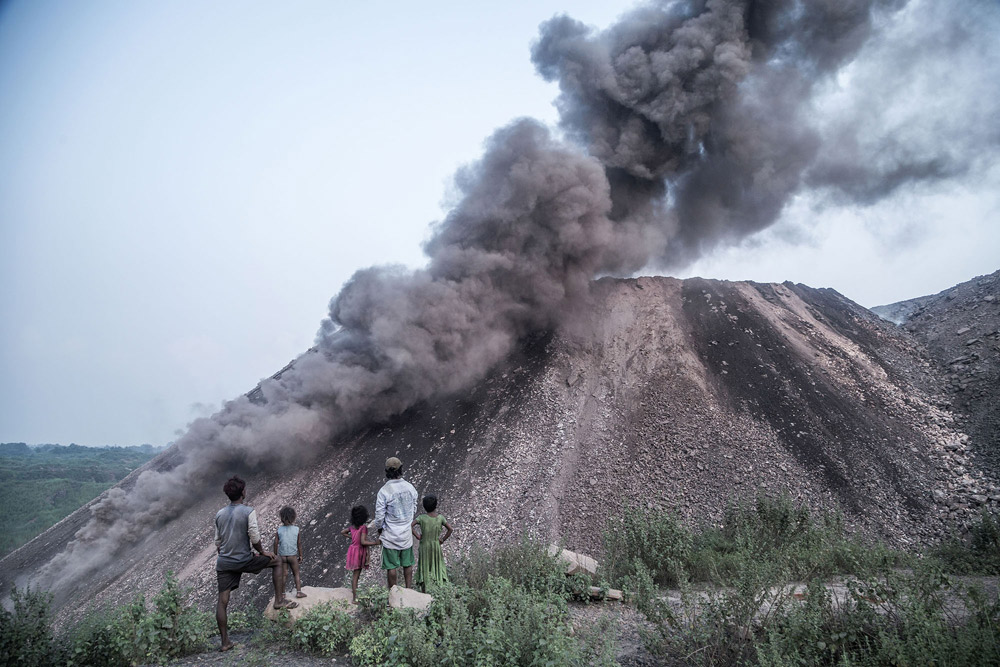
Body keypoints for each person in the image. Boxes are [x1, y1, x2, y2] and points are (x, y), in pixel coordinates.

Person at [214, 475, 290, 653]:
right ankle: (279, 601)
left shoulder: (219, 514)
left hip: (224, 562)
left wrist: (226, 555)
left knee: (222, 601)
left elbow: (218, 542)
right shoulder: (248, 511)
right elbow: (254, 536)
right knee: (278, 561)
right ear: (243, 492)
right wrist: (263, 552)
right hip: (244, 560)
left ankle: (225, 642)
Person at [373, 456, 418, 589]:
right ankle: (409, 590)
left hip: (390, 534)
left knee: (391, 566)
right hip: (406, 533)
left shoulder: (384, 491)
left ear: (387, 471)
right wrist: (407, 519)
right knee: (407, 564)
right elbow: (414, 506)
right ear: (401, 469)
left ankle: (393, 592)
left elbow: (379, 515)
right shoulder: (409, 487)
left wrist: (380, 528)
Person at [411, 493, 453, 592]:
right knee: (436, 564)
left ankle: (425, 589)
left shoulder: (421, 518)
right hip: (436, 546)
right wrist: (442, 539)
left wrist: (417, 536)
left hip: (424, 546)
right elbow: (450, 529)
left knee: (425, 565)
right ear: (436, 505)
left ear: (424, 506)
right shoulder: (440, 518)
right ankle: (438, 587)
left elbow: (410, 526)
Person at [340, 504, 381, 602]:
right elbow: (363, 542)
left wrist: (353, 537)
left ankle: (355, 596)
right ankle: (355, 598)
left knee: (355, 574)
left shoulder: (352, 527)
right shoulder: (363, 528)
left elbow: (342, 532)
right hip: (358, 551)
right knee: (356, 575)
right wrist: (375, 543)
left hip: (352, 550)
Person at [272, 506, 307, 605]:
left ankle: (283, 593)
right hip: (292, 556)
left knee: (284, 574)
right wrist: (301, 555)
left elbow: (275, 543)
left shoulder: (279, 530)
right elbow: (299, 544)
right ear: (293, 517)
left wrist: (275, 555)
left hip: (282, 556)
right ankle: (299, 592)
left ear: (282, 517)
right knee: (296, 573)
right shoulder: (296, 529)